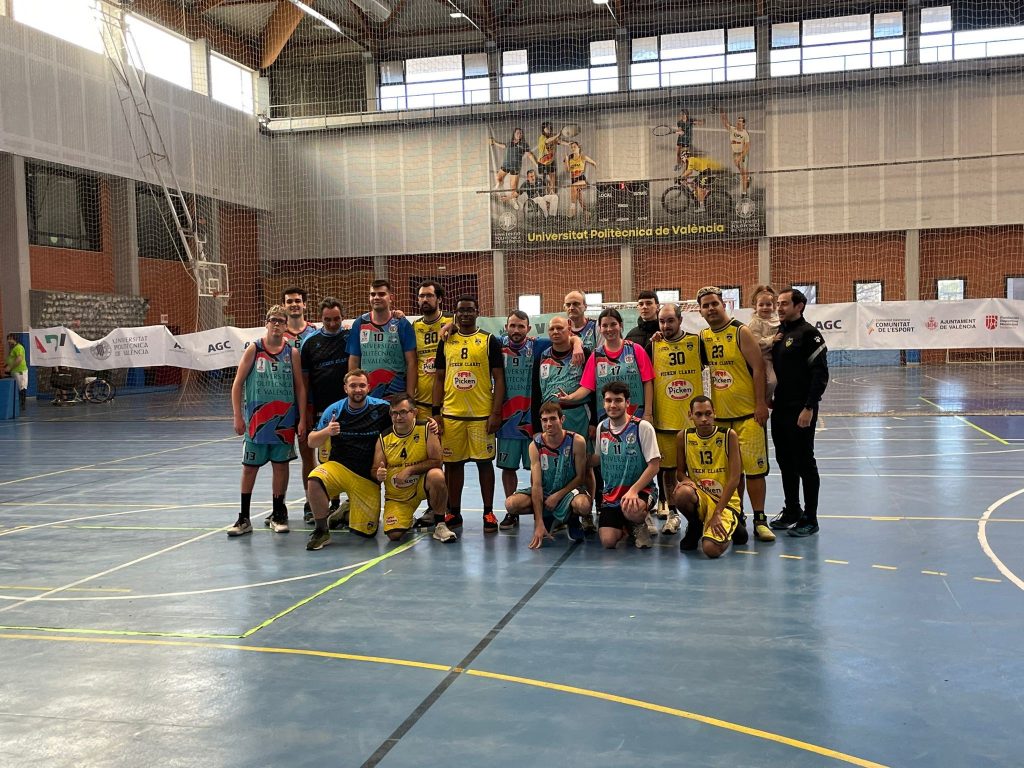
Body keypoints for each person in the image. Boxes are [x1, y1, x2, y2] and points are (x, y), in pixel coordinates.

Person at [696, 286, 775, 543]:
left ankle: (760, 519)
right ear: (700, 311)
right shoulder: (704, 337)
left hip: (748, 415)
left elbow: (758, 367)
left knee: (755, 471)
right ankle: (737, 516)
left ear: (724, 305)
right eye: (706, 306)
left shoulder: (740, 331)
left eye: (714, 304)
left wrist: (760, 404)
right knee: (732, 473)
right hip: (721, 418)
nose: (711, 309)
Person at [228, 305, 307, 538]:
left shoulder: (292, 353)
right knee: (249, 468)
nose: (276, 324)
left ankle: (278, 514)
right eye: (273, 320)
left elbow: (300, 388)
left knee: (280, 466)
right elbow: (237, 384)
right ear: (266, 323)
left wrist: (302, 419)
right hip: (257, 420)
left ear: (286, 326)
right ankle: (244, 517)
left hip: (284, 421)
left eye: (281, 321)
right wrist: (237, 415)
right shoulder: (254, 348)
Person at [432, 295, 505, 534]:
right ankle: (454, 511)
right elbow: (439, 378)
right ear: (455, 313)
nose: (465, 314)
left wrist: (496, 412)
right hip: (452, 415)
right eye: (461, 310)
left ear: (477, 312)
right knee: (453, 465)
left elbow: (499, 379)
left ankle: (488, 512)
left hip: (481, 415)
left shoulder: (489, 340)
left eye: (469, 310)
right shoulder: (446, 340)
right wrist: (436, 412)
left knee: (485, 464)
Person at [305, 369, 392, 550]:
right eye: (353, 386)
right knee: (314, 480)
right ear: (345, 388)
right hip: (339, 467)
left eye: (362, 385)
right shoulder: (335, 410)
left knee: (366, 533)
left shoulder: (383, 408)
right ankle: (321, 531)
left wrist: (429, 424)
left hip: (367, 476)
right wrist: (327, 431)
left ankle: (346, 510)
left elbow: (406, 421)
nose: (357, 390)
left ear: (369, 387)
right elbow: (311, 442)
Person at [769, 287, 829, 538]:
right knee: (785, 462)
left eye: (784, 303)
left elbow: (820, 374)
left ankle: (810, 518)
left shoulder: (809, 334)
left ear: (799, 306)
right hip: (780, 408)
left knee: (805, 462)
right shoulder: (779, 334)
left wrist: (809, 407)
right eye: (778, 304)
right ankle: (792, 510)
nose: (779, 308)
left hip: (800, 409)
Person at [531, 315, 597, 533]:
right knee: (554, 467)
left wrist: (593, 421)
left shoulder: (583, 352)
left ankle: (586, 513)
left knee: (585, 466)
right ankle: (559, 513)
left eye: (560, 328)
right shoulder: (542, 355)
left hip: (578, 414)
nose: (555, 332)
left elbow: (592, 386)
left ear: (569, 328)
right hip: (550, 417)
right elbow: (535, 390)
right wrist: (536, 426)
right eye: (552, 329)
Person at [646, 303, 704, 536]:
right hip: (665, 421)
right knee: (668, 472)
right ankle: (672, 514)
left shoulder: (697, 342)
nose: (665, 325)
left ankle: (704, 514)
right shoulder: (653, 345)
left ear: (680, 320)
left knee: (699, 471)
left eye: (670, 320)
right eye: (662, 321)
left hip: (694, 424)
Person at [504, 402, 592, 549]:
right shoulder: (535, 445)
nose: (549, 424)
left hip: (569, 492)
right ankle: (547, 517)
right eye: (545, 420)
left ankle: (572, 519)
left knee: (583, 505)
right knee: (511, 504)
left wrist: (557, 496)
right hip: (546, 493)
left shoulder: (576, 441)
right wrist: (538, 522)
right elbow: (537, 485)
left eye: (553, 419)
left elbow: (580, 478)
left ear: (562, 419)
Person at [373, 394, 452, 543]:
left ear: (414, 412)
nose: (398, 417)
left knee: (436, 475)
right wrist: (378, 474)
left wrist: (409, 470)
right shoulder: (384, 437)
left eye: (403, 412)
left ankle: (440, 525)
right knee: (394, 535)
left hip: (421, 485)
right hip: (398, 495)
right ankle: (407, 519)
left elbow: (437, 461)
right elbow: (375, 469)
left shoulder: (427, 428)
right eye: (394, 413)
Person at [300, 297, 350, 524]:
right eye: (327, 320)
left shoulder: (349, 337)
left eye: (336, 319)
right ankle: (334, 504)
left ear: (342, 317)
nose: (332, 323)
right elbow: (304, 382)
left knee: (349, 456)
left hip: (349, 408)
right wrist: (307, 411)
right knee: (327, 459)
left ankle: (351, 503)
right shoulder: (310, 343)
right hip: (322, 410)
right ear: (320, 319)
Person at [594, 382, 661, 550]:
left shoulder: (642, 427)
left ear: (627, 403)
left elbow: (654, 466)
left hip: (641, 491)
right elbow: (597, 458)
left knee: (633, 509)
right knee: (608, 541)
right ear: (604, 403)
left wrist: (634, 490)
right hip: (612, 494)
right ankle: (626, 525)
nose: (613, 405)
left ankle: (639, 523)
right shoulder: (602, 427)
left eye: (618, 400)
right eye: (608, 400)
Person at [673, 396, 742, 558]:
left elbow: (735, 479)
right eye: (698, 414)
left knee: (710, 549)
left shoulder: (728, 435)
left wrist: (717, 512)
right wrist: (687, 481)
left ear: (714, 413)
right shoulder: (683, 437)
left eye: (708, 413)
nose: (704, 419)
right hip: (701, 497)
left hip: (724, 501)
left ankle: (736, 527)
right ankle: (696, 526)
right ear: (690, 415)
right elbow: (680, 473)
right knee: (682, 493)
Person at [347, 279, 417, 400]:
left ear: (391, 297)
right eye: (373, 294)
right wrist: (353, 391)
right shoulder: (360, 323)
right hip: (368, 395)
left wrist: (410, 396)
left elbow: (411, 362)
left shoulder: (401, 323)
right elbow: (354, 360)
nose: (376, 297)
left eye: (381, 294)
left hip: (397, 394)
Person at [412, 280, 451, 421]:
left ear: (439, 299)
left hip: (449, 403)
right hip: (421, 402)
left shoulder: (452, 321)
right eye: (421, 296)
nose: (425, 299)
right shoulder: (414, 326)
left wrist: (454, 324)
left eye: (429, 295)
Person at [746, 285, 780, 400]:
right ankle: (765, 400)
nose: (765, 307)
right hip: (763, 357)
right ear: (755, 306)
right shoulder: (755, 323)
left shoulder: (777, 320)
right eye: (761, 305)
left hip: (776, 355)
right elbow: (755, 342)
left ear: (774, 306)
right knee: (771, 381)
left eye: (768, 304)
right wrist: (772, 339)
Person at [490, 128, 536, 209]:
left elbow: (529, 155)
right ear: (514, 134)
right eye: (518, 133)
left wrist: (536, 164)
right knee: (498, 178)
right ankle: (497, 188)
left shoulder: (523, 144)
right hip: (506, 164)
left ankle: (514, 201)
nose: (519, 134)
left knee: (513, 186)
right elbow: (503, 146)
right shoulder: (510, 143)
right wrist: (494, 142)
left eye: (521, 133)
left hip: (515, 166)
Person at [719, 110, 751, 197]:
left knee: (743, 174)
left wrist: (740, 157)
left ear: (743, 124)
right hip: (735, 154)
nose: (738, 122)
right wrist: (723, 115)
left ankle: (744, 193)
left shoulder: (745, 134)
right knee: (740, 169)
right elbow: (725, 123)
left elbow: (747, 147)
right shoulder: (732, 130)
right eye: (738, 121)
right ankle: (747, 177)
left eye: (740, 121)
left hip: (742, 154)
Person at [564, 141, 597, 219]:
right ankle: (587, 212)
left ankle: (572, 210)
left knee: (573, 187)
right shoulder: (569, 157)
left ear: (579, 147)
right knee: (580, 199)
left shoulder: (582, 157)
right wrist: (566, 160)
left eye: (574, 147)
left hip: (582, 179)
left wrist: (598, 173)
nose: (573, 148)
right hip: (574, 180)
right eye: (572, 147)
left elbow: (594, 163)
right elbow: (567, 170)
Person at [4, 333, 28, 412]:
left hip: (20, 371)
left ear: (14, 339)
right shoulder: (12, 348)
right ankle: (17, 404)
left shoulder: (19, 347)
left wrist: (10, 367)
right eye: (8, 339)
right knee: (17, 387)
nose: (8, 341)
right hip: (14, 371)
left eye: (10, 339)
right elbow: (11, 359)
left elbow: (19, 359)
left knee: (22, 387)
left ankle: (22, 405)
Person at [535, 121, 561, 194]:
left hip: (551, 160)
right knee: (546, 179)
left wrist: (568, 143)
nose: (549, 128)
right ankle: (545, 192)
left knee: (553, 176)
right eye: (546, 127)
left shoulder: (551, 136)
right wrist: (556, 135)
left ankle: (552, 191)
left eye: (549, 127)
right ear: (543, 129)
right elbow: (547, 141)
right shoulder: (542, 138)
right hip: (543, 162)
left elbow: (559, 141)